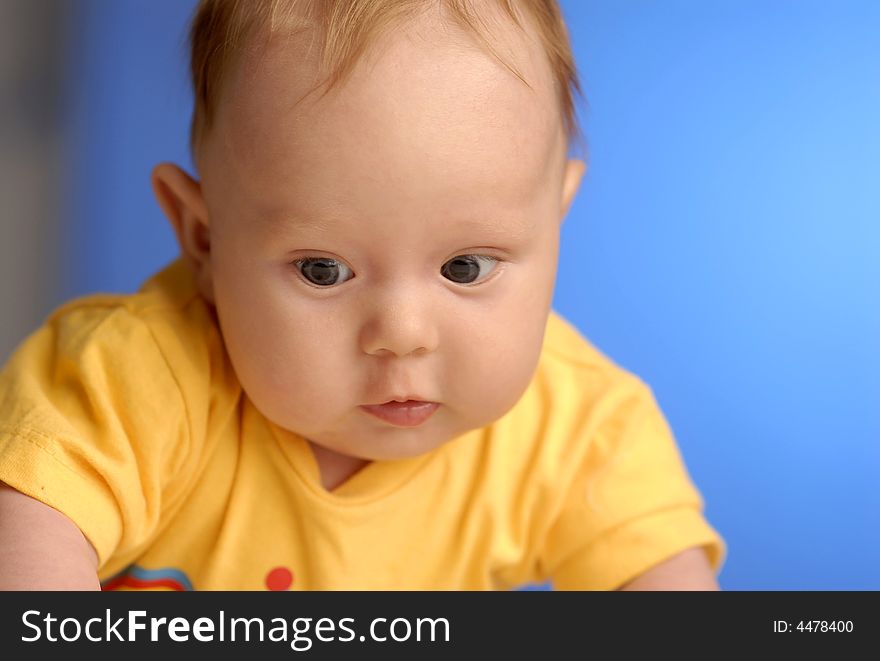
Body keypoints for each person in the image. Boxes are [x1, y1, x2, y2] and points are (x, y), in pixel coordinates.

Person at [0, 0, 724, 590]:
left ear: (555, 220)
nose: (403, 333)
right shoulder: (130, 383)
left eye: (467, 267)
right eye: (323, 270)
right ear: (205, 239)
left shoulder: (581, 432)